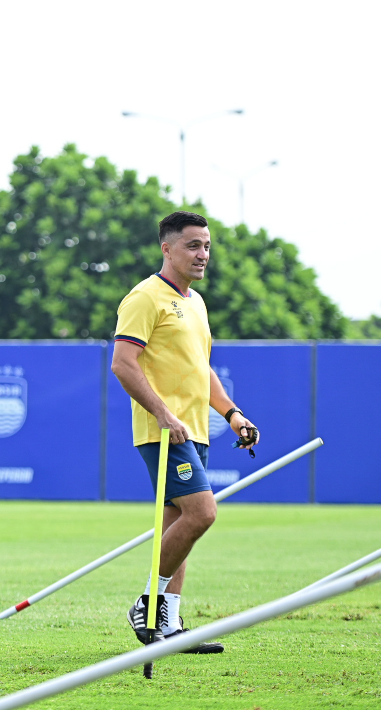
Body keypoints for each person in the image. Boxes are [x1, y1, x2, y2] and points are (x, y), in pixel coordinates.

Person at [112, 210, 260, 654]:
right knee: (202, 513)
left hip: (195, 429)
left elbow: (202, 369)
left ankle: (169, 627)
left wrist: (233, 414)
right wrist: (161, 414)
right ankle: (148, 603)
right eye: (193, 245)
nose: (202, 254)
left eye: (207, 246)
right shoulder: (144, 297)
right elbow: (123, 363)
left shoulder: (196, 303)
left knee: (181, 525)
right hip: (164, 432)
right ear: (167, 248)